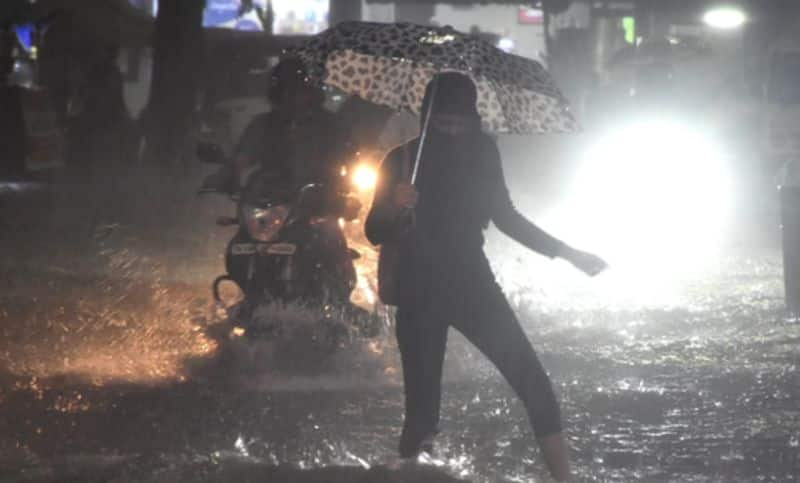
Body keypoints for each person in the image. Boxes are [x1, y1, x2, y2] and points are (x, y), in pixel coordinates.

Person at [365, 72, 607, 482]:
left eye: (458, 121)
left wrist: (567, 253)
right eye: (441, 121)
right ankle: (413, 473)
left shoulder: (482, 153)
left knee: (531, 379)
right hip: (417, 291)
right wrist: (395, 201)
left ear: (471, 117)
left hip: (471, 284)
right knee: (422, 412)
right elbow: (374, 231)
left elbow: (506, 218)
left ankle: (565, 477)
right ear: (426, 116)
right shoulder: (401, 159)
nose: (450, 129)